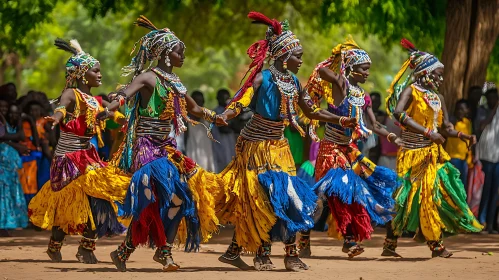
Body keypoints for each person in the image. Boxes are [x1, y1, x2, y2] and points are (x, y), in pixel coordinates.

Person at [215, 11, 355, 272]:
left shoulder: (293, 82)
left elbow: (311, 111)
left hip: (279, 147)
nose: (301, 60)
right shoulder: (262, 78)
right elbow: (241, 102)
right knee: (265, 200)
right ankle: (260, 253)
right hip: (255, 146)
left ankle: (284, 254)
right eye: (297, 56)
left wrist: (339, 120)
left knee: (290, 197)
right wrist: (225, 115)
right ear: (282, 55)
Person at [100, 16, 221, 272]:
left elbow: (195, 108)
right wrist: (110, 106)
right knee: (150, 200)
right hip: (146, 149)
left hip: (167, 149)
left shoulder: (176, 84)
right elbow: (124, 95)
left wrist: (215, 116)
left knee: (179, 199)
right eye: (179, 52)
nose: (183, 56)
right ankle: (161, 253)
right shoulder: (148, 78)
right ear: (166, 54)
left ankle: (127, 252)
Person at [28, 38, 129, 264]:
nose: (100, 75)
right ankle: (55, 246)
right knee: (68, 207)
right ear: (83, 74)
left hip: (87, 157)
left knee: (100, 199)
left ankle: (86, 248)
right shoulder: (71, 94)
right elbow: (61, 109)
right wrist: (55, 119)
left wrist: (124, 121)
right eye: (96, 71)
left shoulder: (95, 100)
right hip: (67, 159)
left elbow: (111, 116)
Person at [297, 36, 400, 259]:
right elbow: (323, 72)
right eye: (363, 69)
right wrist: (338, 60)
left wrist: (392, 136)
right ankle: (312, 238)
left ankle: (359, 240)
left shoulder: (363, 97)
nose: (367, 73)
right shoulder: (340, 84)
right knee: (330, 195)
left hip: (350, 150)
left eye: (368, 69)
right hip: (331, 150)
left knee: (360, 192)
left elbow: (375, 124)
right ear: (352, 68)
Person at [383, 39, 482, 258]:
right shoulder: (411, 91)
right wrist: (428, 133)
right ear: (424, 72)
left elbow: (445, 127)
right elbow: (399, 114)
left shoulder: (439, 98)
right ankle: (391, 243)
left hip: (431, 155)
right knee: (405, 198)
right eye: (437, 74)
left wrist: (461, 134)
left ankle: (435, 244)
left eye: (441, 74)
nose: (440, 78)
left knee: (431, 196)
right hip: (411, 154)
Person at [0, 101, 28, 236]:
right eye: (2, 107)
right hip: (2, 163)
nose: (4, 109)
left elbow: (20, 136)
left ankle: (6, 224)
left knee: (8, 194)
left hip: (10, 164)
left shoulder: (8, 123)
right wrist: (16, 145)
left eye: (5, 107)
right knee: (3, 194)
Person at [476, 85, 499, 234]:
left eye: (494, 99)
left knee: (494, 192)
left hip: (497, 157)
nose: (492, 101)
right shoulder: (483, 112)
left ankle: (490, 224)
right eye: (490, 99)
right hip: (485, 157)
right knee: (485, 190)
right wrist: (494, 108)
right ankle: (480, 223)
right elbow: (482, 125)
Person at [446, 99, 472, 191]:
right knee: (453, 185)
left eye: (462, 109)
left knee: (461, 186)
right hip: (453, 158)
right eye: (458, 109)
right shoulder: (452, 121)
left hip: (463, 159)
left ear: (467, 110)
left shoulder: (467, 122)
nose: (459, 111)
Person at [185, 91, 216, 171]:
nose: (199, 105)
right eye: (196, 102)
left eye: (201, 102)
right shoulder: (186, 121)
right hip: (192, 162)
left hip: (207, 161)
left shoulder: (207, 121)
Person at [212, 89, 236, 172]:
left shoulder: (232, 111)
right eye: (224, 98)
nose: (226, 100)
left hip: (231, 144)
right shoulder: (215, 112)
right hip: (221, 145)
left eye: (228, 98)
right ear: (218, 98)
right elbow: (224, 129)